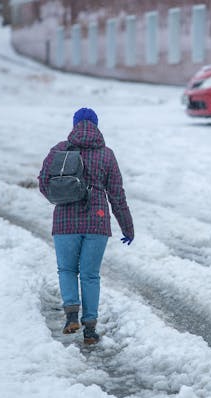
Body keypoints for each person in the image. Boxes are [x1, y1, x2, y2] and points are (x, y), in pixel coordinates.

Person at [38, 107, 134, 345]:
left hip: (64, 221)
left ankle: (71, 315)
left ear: (74, 124)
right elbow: (117, 195)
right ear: (96, 125)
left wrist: (58, 198)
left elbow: (43, 182)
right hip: (97, 221)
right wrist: (127, 227)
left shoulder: (59, 150)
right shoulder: (106, 154)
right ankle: (90, 330)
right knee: (90, 275)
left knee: (67, 270)